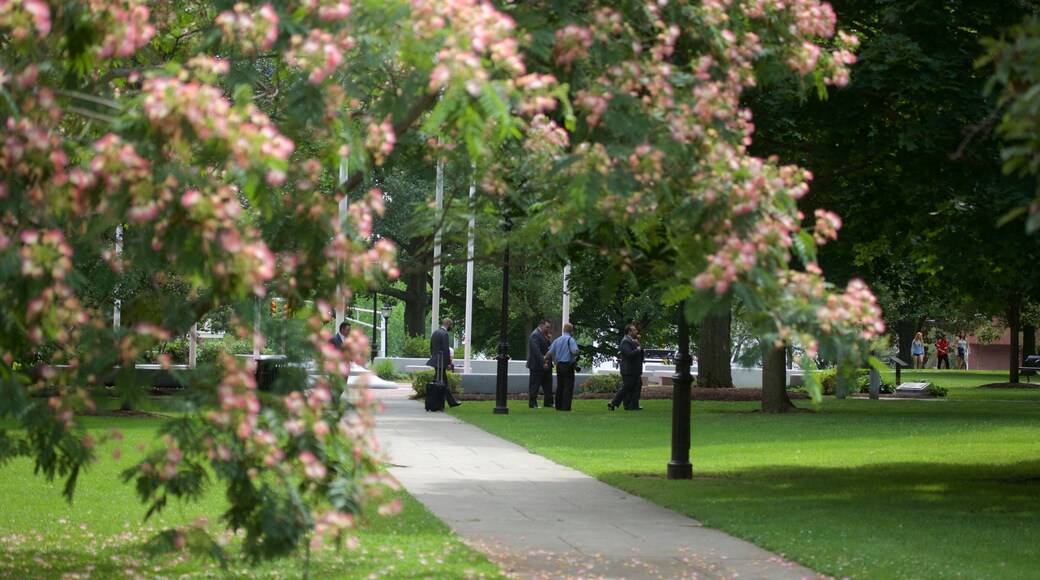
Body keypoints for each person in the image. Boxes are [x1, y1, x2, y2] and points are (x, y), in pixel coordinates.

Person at [426, 317, 461, 408]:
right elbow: (446, 350)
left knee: (440, 381)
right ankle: (448, 402)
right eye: (450, 325)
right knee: (442, 382)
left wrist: (433, 356)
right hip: (441, 361)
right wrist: (448, 363)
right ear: (448, 324)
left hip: (435, 360)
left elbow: (431, 347)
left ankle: (450, 402)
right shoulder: (444, 334)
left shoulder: (435, 333)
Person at [608, 324, 644, 411]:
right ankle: (612, 403)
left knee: (636, 387)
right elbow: (629, 354)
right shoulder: (625, 341)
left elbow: (641, 353)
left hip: (635, 369)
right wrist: (638, 349)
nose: (636, 331)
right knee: (626, 387)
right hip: (629, 369)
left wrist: (639, 346)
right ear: (629, 332)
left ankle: (634, 405)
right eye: (634, 330)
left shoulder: (633, 341)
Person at [545, 323, 580, 411]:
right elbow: (574, 352)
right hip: (568, 366)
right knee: (568, 386)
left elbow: (550, 352)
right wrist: (578, 352)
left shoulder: (557, 340)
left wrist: (544, 360)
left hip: (559, 365)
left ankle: (558, 406)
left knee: (560, 386)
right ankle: (566, 407)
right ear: (571, 331)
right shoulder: (570, 340)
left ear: (564, 330)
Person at [526, 319, 552, 408]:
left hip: (545, 364)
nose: (548, 329)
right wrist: (543, 362)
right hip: (536, 365)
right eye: (547, 327)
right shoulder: (535, 335)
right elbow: (536, 351)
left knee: (548, 384)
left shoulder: (543, 335)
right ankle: (532, 403)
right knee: (535, 385)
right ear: (541, 325)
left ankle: (548, 402)